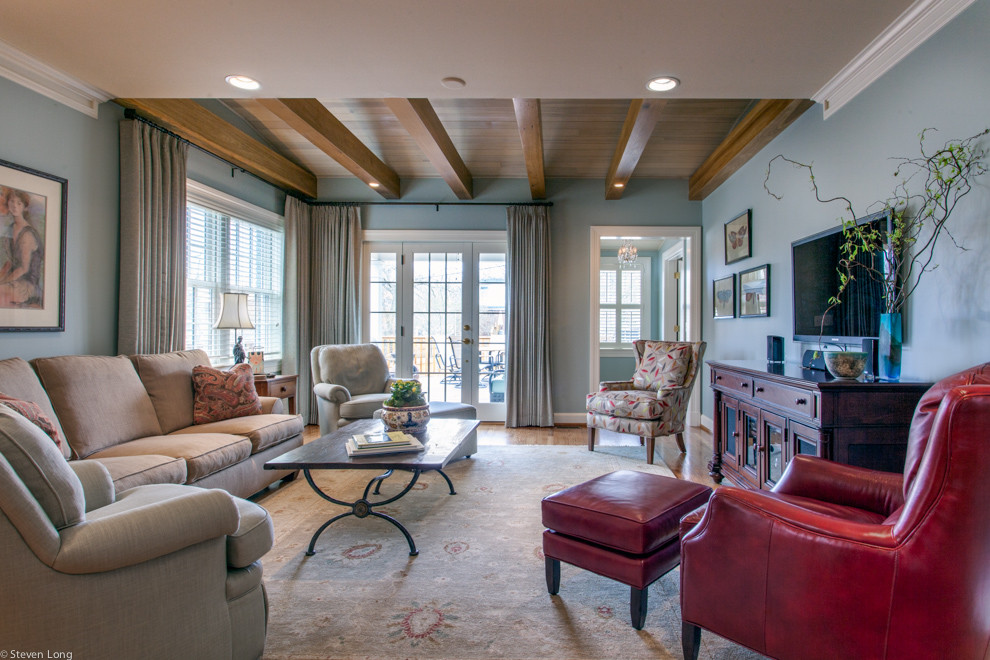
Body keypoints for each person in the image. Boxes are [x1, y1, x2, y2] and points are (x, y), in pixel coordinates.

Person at [0, 188, 44, 308]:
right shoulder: (10, 229)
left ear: (24, 207)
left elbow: (24, 269)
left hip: (28, 284)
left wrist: (3, 282)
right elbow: (10, 262)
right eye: (12, 201)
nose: (14, 206)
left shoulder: (27, 234)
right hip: (14, 279)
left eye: (19, 203)